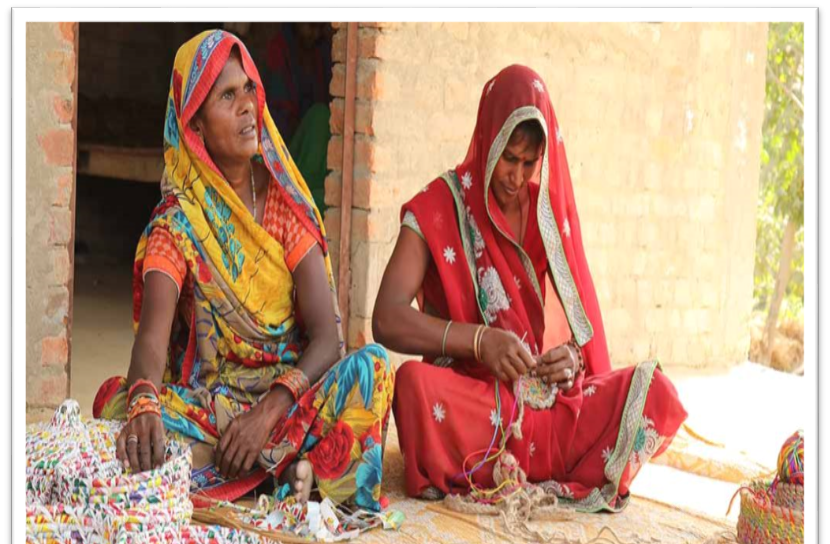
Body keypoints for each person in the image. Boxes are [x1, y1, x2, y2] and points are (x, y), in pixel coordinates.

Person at [94, 30, 393, 512]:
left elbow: (327, 339)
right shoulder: (179, 221)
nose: (247, 106)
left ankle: (240, 473)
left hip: (290, 400)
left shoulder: (283, 203)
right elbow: (150, 340)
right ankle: (288, 476)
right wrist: (146, 403)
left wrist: (268, 413)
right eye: (227, 96)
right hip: (218, 406)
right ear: (194, 123)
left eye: (250, 89)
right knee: (118, 402)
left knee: (372, 368)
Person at [372, 64, 687, 512]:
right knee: (411, 385)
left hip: (544, 403)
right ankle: (539, 464)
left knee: (655, 389)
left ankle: (519, 466)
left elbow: (581, 329)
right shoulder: (440, 206)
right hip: (481, 404)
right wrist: (480, 343)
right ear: (487, 141)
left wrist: (572, 358)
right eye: (508, 158)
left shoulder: (543, 213)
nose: (516, 178)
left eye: (528, 163)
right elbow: (386, 318)